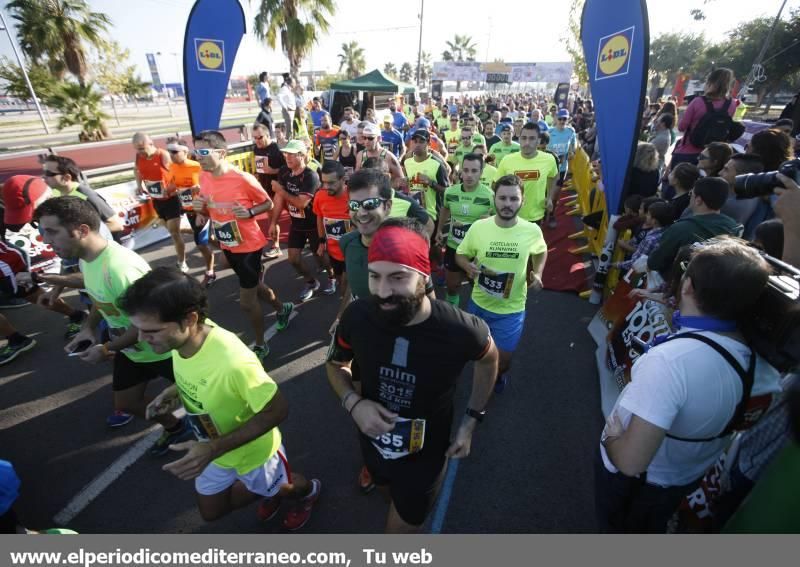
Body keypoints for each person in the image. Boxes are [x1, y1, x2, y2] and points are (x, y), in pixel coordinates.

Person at [597, 237, 781, 533]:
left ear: (687, 286)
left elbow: (631, 463)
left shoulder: (671, 362)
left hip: (638, 484)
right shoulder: (763, 364)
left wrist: (611, 438)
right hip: (683, 476)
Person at [326, 218, 498, 533]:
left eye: (398, 277)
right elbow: (335, 365)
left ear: (423, 275)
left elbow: (489, 360)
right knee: (384, 490)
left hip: (427, 455)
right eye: (375, 276)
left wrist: (472, 421)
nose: (383, 291)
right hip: (373, 441)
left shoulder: (460, 330)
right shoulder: (357, 317)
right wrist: (354, 403)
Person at [120, 268, 321, 530]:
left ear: (190, 318)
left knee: (285, 487)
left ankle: (307, 493)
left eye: (151, 331)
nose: (141, 339)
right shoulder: (181, 340)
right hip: (212, 451)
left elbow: (278, 410)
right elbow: (197, 371)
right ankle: (268, 491)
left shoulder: (233, 362)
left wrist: (214, 448)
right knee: (211, 512)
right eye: (138, 329)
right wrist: (175, 392)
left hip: (253, 456)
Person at [36, 196, 192, 443]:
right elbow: (102, 297)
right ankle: (176, 427)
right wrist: (88, 328)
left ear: (82, 230)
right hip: (132, 350)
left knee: (204, 402)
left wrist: (107, 348)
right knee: (127, 403)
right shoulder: (88, 259)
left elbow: (148, 325)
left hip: (164, 352)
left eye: (51, 232)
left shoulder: (121, 269)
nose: (45, 240)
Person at [192, 130, 294, 362]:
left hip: (248, 245)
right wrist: (201, 212)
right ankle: (282, 308)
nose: (198, 157)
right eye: (195, 151)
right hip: (227, 241)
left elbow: (267, 204)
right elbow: (209, 209)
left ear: (221, 153)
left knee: (247, 302)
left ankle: (260, 343)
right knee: (254, 285)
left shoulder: (242, 179)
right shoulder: (204, 176)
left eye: (203, 152)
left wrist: (249, 212)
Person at [456, 174, 548, 393]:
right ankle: (484, 379)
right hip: (479, 304)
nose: (508, 204)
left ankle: (497, 377)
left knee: (503, 361)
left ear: (522, 201)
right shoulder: (479, 228)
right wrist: (467, 266)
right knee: (479, 353)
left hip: (511, 309)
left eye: (513, 199)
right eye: (503, 198)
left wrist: (539, 272)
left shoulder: (532, 230)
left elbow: (541, 251)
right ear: (494, 199)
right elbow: (461, 254)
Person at [269, 140, 332, 301]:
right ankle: (311, 282)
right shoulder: (284, 172)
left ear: (303, 156)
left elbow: (301, 203)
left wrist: (281, 190)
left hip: (314, 223)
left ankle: (332, 277)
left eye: (292, 154)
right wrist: (273, 222)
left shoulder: (311, 176)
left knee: (320, 256)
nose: (287, 157)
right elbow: (278, 199)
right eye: (286, 153)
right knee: (293, 259)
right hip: (296, 224)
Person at [647, 177, 742, 278]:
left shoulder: (681, 229)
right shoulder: (733, 226)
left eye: (691, 193)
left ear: (698, 200)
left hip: (677, 284)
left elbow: (654, 263)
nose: (690, 197)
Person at [438, 153, 495, 307]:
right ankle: (452, 315)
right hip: (454, 247)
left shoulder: (490, 196)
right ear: (461, 171)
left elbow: (499, 222)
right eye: (466, 170)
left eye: (474, 171)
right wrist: (438, 230)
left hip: (478, 250)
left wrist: (490, 222)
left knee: (479, 287)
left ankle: (478, 315)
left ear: (481, 172)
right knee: (451, 287)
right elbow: (445, 209)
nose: (469, 175)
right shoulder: (451, 192)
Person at [164, 138, 215, 286]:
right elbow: (170, 190)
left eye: (174, 151)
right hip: (188, 210)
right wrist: (171, 189)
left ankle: (210, 272)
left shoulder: (197, 167)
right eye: (169, 151)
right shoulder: (172, 167)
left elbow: (211, 186)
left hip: (203, 210)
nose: (171, 154)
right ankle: (228, 249)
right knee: (209, 240)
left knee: (200, 243)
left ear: (185, 152)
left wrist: (199, 187)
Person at [132, 132, 186, 271]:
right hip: (156, 199)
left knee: (174, 233)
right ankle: (190, 230)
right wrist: (139, 186)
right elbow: (137, 170)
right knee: (168, 227)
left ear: (151, 143)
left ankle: (182, 262)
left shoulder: (163, 155)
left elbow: (178, 174)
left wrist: (170, 188)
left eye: (142, 148)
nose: (140, 152)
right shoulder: (139, 156)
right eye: (137, 149)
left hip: (171, 199)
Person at [41, 155, 124, 240]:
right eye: (44, 172)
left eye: (49, 173)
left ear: (66, 178)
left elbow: (116, 225)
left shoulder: (86, 195)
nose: (44, 176)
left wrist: (78, 234)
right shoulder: (55, 193)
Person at [670, 68, 738, 166]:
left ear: (710, 82)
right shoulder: (731, 104)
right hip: (711, 156)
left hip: (688, 152)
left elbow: (681, 127)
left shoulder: (698, 101)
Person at [494, 122, 559, 225]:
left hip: (536, 214)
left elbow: (554, 176)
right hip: (511, 214)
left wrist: (549, 197)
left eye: (532, 138)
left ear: (538, 141)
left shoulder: (549, 159)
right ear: (519, 139)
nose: (527, 142)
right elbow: (495, 185)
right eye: (523, 138)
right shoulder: (507, 160)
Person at [313, 160, 351, 295]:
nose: (326, 186)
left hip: (352, 252)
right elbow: (320, 217)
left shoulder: (353, 196)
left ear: (343, 179)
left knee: (347, 285)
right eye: (323, 182)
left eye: (331, 183)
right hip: (334, 251)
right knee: (341, 283)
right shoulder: (320, 195)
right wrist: (322, 241)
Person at [402, 129, 450, 227]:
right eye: (415, 141)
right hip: (413, 214)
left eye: (421, 141)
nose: (417, 144)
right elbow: (408, 187)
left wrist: (431, 183)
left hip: (431, 216)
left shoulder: (437, 164)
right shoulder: (407, 162)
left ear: (428, 143)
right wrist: (404, 184)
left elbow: (448, 192)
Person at [252, 123, 286, 260]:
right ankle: (276, 246)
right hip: (265, 189)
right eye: (254, 138)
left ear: (267, 135)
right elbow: (260, 167)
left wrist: (273, 171)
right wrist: (256, 175)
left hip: (280, 188)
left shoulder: (276, 149)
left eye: (259, 137)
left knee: (289, 216)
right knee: (272, 219)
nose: (257, 141)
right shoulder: (256, 149)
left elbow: (287, 168)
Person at [613, 200, 673, 273]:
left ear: (654, 221)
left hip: (637, 272)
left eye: (648, 214)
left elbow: (635, 263)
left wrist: (617, 265)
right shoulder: (667, 232)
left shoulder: (650, 240)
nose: (646, 216)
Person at [718, 153, 766, 239]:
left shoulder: (727, 204)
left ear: (741, 176)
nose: (720, 172)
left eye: (726, 170)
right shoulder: (755, 195)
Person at [355, 122, 405, 188]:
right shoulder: (360, 155)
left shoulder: (389, 157)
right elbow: (356, 177)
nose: (366, 141)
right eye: (364, 138)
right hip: (366, 194)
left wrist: (384, 187)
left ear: (378, 138)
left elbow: (401, 180)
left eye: (370, 138)